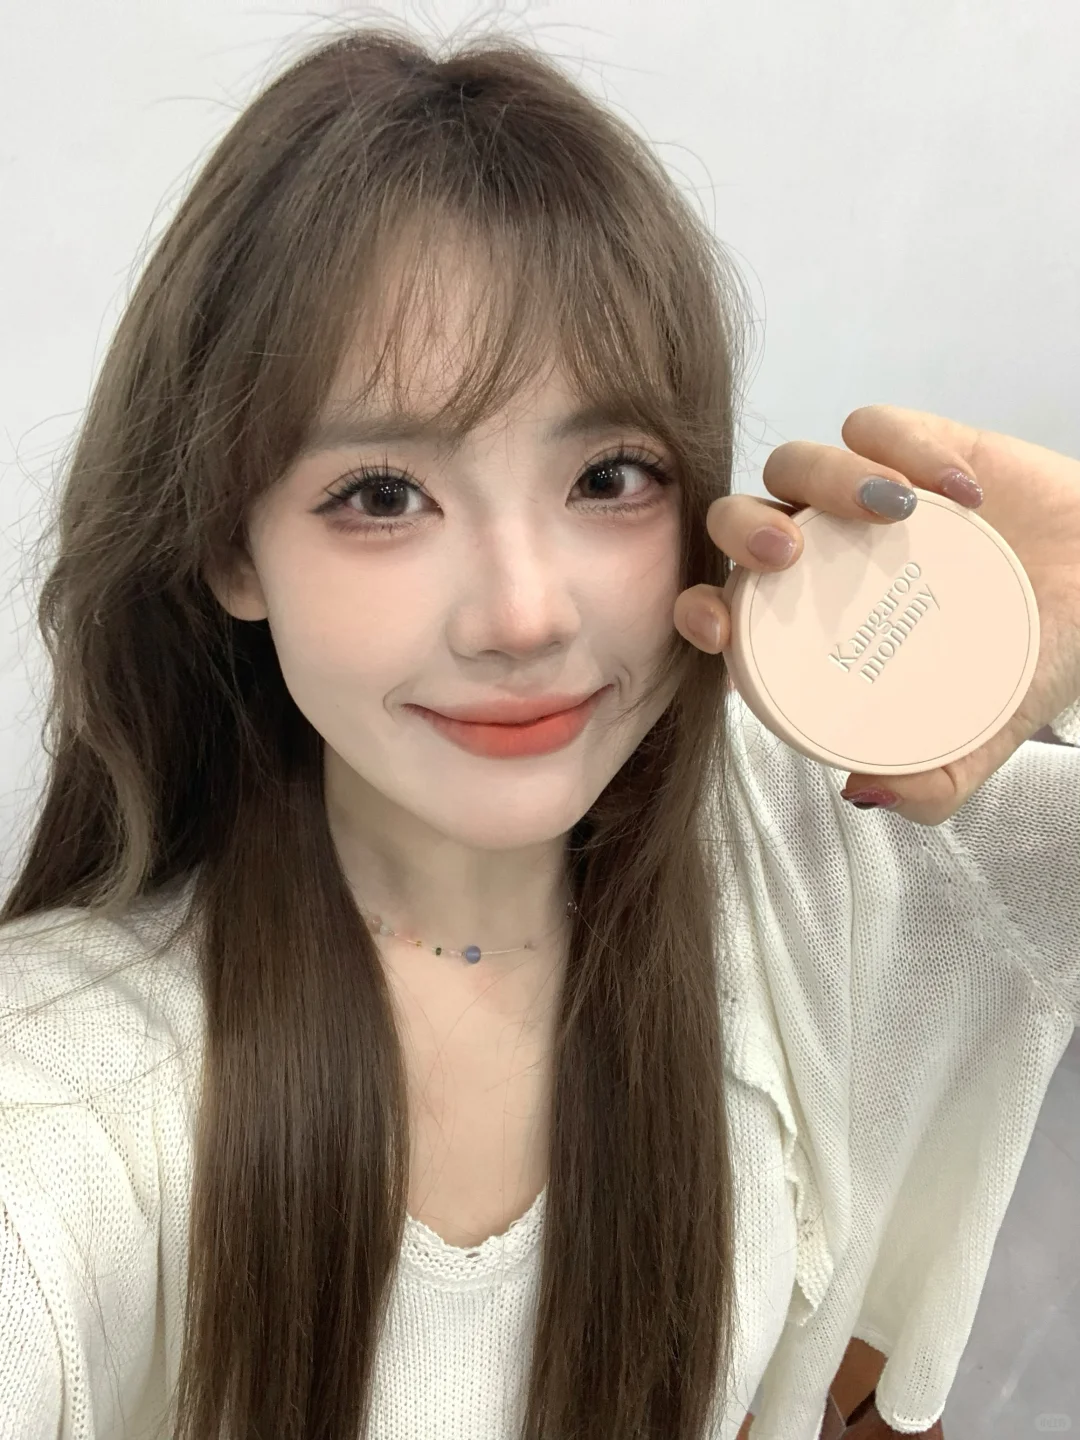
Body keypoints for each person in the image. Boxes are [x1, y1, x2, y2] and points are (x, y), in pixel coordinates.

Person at [1, 21, 1077, 1440]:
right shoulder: (72, 1098)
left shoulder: (826, 864)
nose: (524, 615)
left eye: (610, 476)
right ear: (229, 548)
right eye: (383, 495)